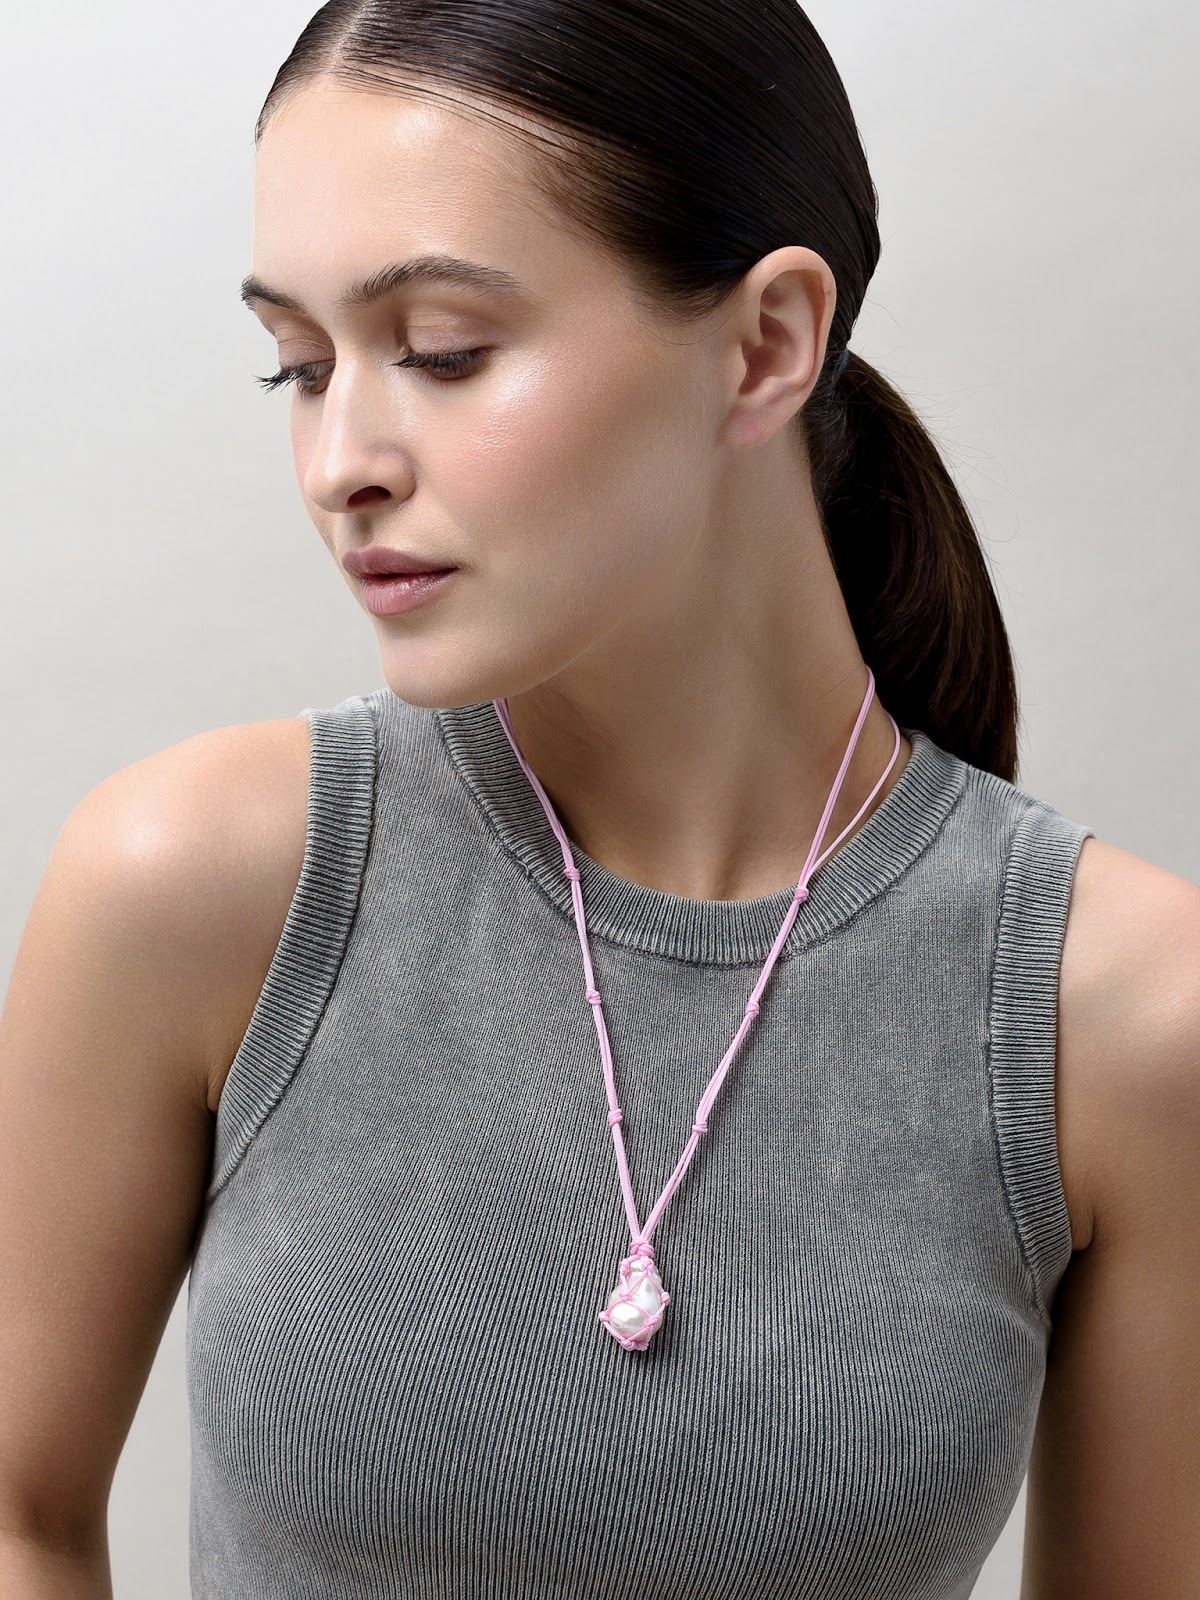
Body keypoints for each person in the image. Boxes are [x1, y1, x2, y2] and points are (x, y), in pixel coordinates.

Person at [1, 2, 1198, 1596]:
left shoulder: (1123, 1015)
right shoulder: (200, 887)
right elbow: (17, 1513)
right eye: (300, 364)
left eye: (442, 351)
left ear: (765, 345)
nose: (341, 460)